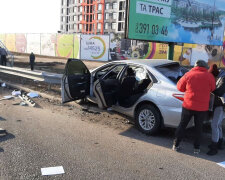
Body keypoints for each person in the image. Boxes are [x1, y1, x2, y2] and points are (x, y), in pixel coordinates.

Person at [172, 60, 216, 154]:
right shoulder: (210, 76)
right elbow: (213, 88)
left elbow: (180, 87)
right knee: (198, 128)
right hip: (202, 108)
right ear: (205, 67)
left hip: (188, 105)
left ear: (195, 66)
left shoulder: (188, 75)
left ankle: (176, 145)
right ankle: (196, 148)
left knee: (182, 125)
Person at [207, 64, 225, 155]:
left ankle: (214, 148)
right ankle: (220, 143)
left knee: (214, 125)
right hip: (220, 104)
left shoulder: (223, 77)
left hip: (221, 105)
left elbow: (219, 91)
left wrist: (209, 88)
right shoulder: (221, 76)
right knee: (217, 124)